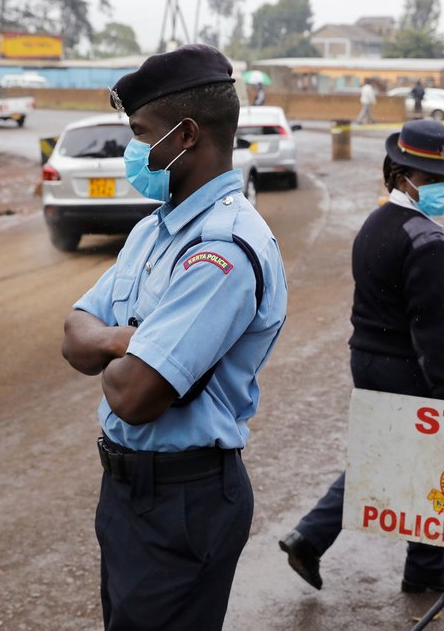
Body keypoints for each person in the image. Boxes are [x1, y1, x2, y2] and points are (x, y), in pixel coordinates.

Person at [62, 44, 288, 631]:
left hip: (183, 503)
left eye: (141, 133)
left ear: (185, 135)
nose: (132, 150)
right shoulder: (153, 231)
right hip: (128, 492)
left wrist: (118, 350)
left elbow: (134, 397)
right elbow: (73, 335)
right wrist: (127, 339)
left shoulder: (224, 251)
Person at [278, 119, 444, 595]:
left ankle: (313, 536)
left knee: (385, 454)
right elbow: (431, 332)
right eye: (435, 179)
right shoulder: (429, 243)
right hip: (407, 366)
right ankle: (424, 565)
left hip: (366, 359)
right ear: (402, 174)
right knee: (433, 460)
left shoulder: (377, 222)